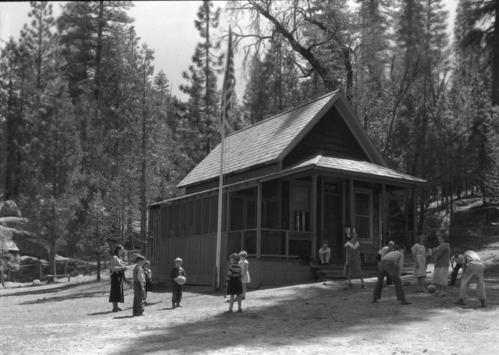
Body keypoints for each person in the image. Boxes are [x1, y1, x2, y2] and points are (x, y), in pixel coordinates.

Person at [109, 244, 128, 312]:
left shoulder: (119, 257)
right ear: (118, 250)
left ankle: (116, 307)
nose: (123, 250)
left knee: (118, 291)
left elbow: (121, 265)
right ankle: (114, 308)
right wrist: (122, 267)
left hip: (120, 275)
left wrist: (124, 268)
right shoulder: (114, 257)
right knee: (115, 291)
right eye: (122, 249)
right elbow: (113, 268)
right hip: (115, 276)